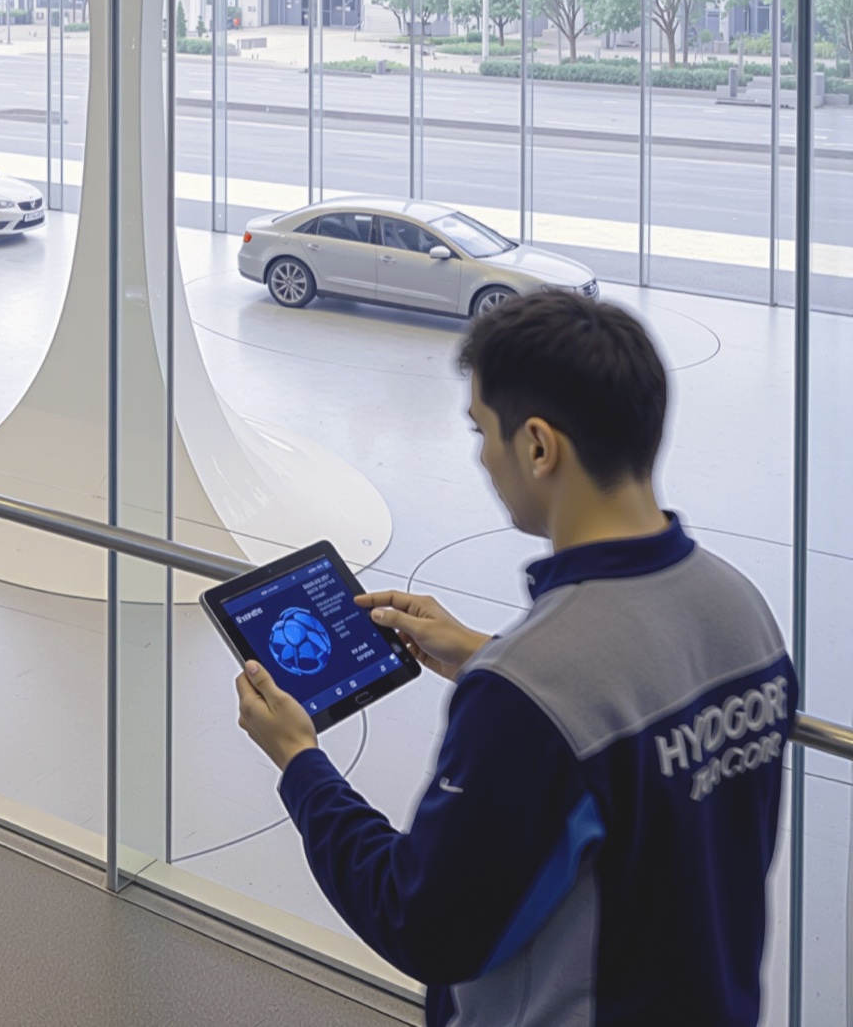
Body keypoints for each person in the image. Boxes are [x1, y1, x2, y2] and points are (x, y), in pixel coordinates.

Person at [233, 290, 794, 1025]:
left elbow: (421, 920)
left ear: (537, 445)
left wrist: (300, 762)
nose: (482, 458)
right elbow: (636, 761)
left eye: (481, 432)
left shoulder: (530, 692)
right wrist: (488, 653)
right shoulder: (742, 608)